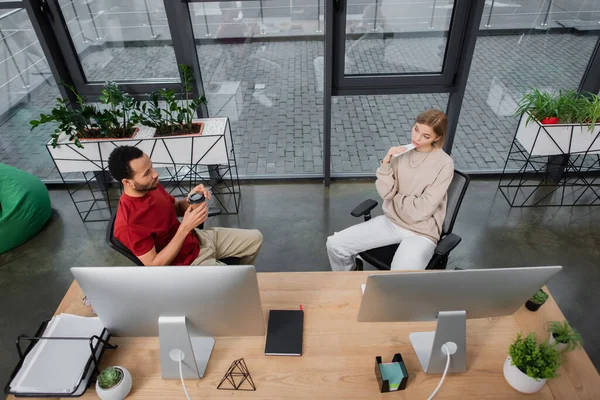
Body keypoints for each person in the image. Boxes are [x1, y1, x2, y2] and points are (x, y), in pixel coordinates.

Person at [326, 109, 454, 271]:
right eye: (416, 129)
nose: (416, 138)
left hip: (421, 232)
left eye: (426, 136)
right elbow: (386, 193)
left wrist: (395, 197)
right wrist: (386, 163)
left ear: (437, 137)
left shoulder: (445, 164)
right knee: (335, 245)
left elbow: (422, 210)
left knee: (397, 277)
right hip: (391, 221)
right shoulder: (401, 154)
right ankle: (349, 280)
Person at [107, 146, 263, 266]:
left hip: (196, 239)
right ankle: (231, 286)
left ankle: (235, 281)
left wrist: (192, 198)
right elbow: (154, 265)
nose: (155, 175)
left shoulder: (151, 187)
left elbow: (176, 208)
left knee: (255, 239)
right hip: (186, 263)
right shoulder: (128, 224)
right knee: (234, 282)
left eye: (152, 167)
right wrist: (185, 228)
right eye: (147, 173)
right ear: (128, 182)